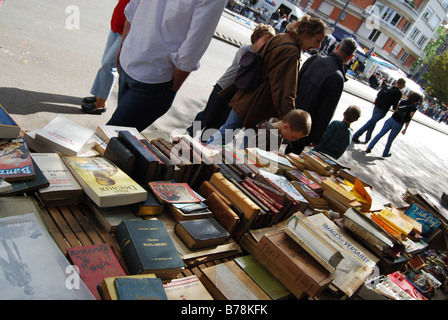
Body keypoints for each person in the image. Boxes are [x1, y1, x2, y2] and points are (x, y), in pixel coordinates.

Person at [105, 0, 227, 132]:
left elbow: (132, 10)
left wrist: (123, 45)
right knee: (112, 137)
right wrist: (171, 89)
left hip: (131, 57)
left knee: (115, 134)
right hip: (154, 77)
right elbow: (191, 50)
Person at [207, 15, 328, 146]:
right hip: (260, 105)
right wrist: (288, 118)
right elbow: (284, 88)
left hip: (247, 95)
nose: (318, 45)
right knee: (249, 146)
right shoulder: (291, 51)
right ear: (308, 34)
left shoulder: (281, 37)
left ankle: (198, 157)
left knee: (225, 133)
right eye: (317, 40)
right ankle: (203, 159)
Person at [186, 24, 275, 141]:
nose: (267, 44)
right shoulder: (246, 50)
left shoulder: (263, 57)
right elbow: (245, 71)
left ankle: (202, 143)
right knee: (207, 115)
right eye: (265, 40)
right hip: (223, 87)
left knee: (218, 122)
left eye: (270, 42)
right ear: (256, 38)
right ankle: (188, 133)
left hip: (236, 95)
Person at [287, 37, 358, 155]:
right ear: (351, 57)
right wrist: (316, 138)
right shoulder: (337, 78)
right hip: (304, 127)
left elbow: (295, 83)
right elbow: (326, 112)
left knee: (270, 149)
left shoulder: (315, 58)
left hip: (288, 113)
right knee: (289, 157)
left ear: (337, 47)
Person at [81, 0, 130, 115]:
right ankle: (99, 95)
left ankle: (101, 103)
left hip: (127, 32)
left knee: (109, 64)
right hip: (117, 25)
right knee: (105, 61)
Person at [366, 92, 422, 157]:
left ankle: (369, 147)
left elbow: (396, 109)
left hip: (391, 119)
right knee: (390, 140)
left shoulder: (403, 102)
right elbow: (409, 119)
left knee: (380, 134)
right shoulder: (413, 108)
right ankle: (385, 153)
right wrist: (405, 128)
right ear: (416, 100)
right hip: (398, 124)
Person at [352, 78, 406, 144]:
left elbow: (378, 94)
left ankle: (367, 138)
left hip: (377, 106)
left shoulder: (388, 86)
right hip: (383, 109)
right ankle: (356, 136)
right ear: (402, 85)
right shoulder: (398, 93)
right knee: (371, 122)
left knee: (372, 122)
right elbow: (394, 106)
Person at [247, 109, 312, 152]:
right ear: (286, 127)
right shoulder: (265, 135)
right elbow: (248, 152)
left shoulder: (279, 132)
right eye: (293, 137)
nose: (294, 140)